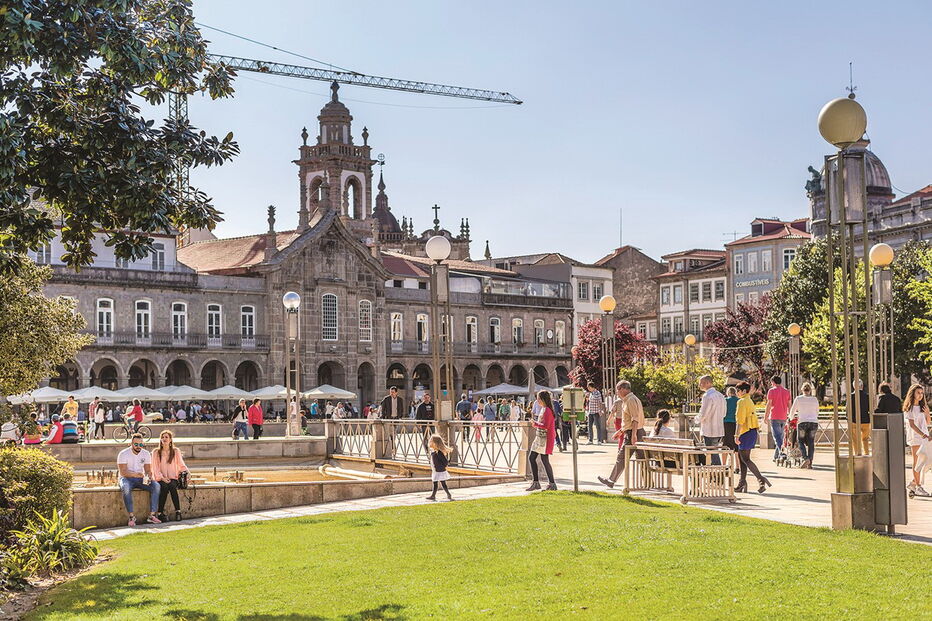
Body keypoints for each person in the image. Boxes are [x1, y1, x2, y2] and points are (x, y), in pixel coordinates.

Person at [598, 380, 645, 489]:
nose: (617, 392)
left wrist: (633, 435)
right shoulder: (630, 399)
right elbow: (630, 420)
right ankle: (649, 482)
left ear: (624, 389)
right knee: (641, 459)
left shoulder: (630, 400)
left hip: (634, 432)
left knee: (622, 457)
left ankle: (611, 480)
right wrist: (620, 431)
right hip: (636, 432)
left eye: (618, 390)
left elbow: (635, 419)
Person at [117, 433, 161, 526]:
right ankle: (131, 516)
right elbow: (123, 472)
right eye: (136, 444)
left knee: (156, 486)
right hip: (126, 478)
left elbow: (148, 470)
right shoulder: (123, 454)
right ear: (131, 443)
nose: (138, 446)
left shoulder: (146, 454)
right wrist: (136, 474)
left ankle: (152, 515)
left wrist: (149, 476)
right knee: (126, 488)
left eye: (140, 444)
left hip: (140, 479)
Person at [735, 382, 770, 494]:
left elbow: (740, 420)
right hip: (752, 431)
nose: (737, 393)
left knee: (745, 459)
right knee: (742, 459)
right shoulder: (749, 400)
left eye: (738, 391)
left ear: (744, 391)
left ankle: (761, 479)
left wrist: (736, 435)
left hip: (745, 432)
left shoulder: (742, 401)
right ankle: (742, 482)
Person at [152, 430, 188, 522]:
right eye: (162, 437)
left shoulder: (176, 451)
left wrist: (187, 472)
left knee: (172, 486)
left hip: (173, 478)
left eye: (166, 437)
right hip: (160, 478)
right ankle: (160, 513)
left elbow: (181, 464)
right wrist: (162, 478)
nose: (164, 439)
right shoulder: (156, 452)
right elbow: (155, 468)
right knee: (163, 487)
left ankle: (178, 512)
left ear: (171, 440)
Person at [903, 383, 931, 496]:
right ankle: (918, 486)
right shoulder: (909, 408)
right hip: (915, 438)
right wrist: (923, 435)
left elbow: (927, 422)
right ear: (913, 393)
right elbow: (912, 425)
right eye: (918, 393)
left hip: (924, 438)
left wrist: (927, 413)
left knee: (925, 461)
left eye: (921, 393)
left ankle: (914, 483)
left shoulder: (922, 407)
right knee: (917, 462)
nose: (920, 395)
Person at [526, 390, 557, 491]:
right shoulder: (544, 409)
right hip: (540, 438)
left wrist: (534, 423)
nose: (537, 400)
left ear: (543, 399)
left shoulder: (547, 410)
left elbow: (546, 426)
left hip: (545, 439)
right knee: (533, 458)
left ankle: (551, 484)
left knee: (544, 460)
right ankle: (538, 483)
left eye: (539, 398)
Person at [695, 375, 726, 466]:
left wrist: (696, 419)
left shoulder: (707, 396)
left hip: (709, 429)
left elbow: (703, 414)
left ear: (708, 383)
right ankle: (717, 473)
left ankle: (718, 473)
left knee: (711, 453)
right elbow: (724, 413)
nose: (700, 385)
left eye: (702, 382)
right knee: (714, 452)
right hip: (719, 429)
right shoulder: (720, 395)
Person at [789, 382, 820, 469]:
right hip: (813, 423)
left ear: (802, 390)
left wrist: (791, 418)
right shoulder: (815, 399)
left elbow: (792, 411)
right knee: (811, 442)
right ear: (810, 390)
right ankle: (810, 462)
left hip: (802, 422)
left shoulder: (798, 399)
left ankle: (805, 458)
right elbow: (817, 411)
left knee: (800, 441)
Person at [764, 376, 791, 462]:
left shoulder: (771, 391)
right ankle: (776, 456)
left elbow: (769, 404)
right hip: (784, 417)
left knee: (777, 437)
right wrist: (789, 416)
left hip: (774, 416)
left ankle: (782, 453)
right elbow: (789, 405)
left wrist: (766, 416)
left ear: (773, 382)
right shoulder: (787, 391)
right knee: (780, 436)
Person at [426, 434, 453, 501]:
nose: (430, 442)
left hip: (439, 471)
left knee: (440, 483)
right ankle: (445, 494)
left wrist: (442, 467)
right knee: (439, 483)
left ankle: (435, 495)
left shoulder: (439, 452)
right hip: (435, 470)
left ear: (435, 443)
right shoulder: (434, 452)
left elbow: (445, 462)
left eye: (431, 441)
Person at [848, 380, 871, 455]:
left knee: (855, 439)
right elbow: (870, 408)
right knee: (865, 439)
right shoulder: (867, 396)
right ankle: (866, 453)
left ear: (853, 386)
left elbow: (848, 409)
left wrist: (848, 418)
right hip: (865, 420)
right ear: (862, 386)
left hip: (854, 420)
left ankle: (857, 453)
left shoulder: (851, 396)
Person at [723, 386, 739, 454]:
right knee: (736, 444)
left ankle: (724, 463)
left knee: (726, 443)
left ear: (728, 392)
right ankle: (737, 464)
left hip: (726, 422)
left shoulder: (725, 400)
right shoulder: (738, 400)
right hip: (736, 423)